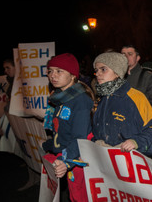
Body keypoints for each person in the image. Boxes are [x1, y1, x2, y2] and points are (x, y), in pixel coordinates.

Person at [41, 53, 94, 201]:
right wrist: (48, 144)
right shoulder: (61, 99)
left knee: (80, 197)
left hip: (76, 160)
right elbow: (62, 133)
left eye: (59, 71)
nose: (53, 75)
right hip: (67, 156)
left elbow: (79, 138)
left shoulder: (80, 101)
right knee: (74, 196)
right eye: (50, 71)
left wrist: (66, 161)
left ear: (72, 75)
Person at [91, 52, 152, 156]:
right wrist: (95, 144)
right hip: (105, 161)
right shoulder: (101, 100)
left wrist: (136, 142)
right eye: (96, 70)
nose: (98, 73)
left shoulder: (136, 97)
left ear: (117, 72)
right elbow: (97, 133)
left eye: (103, 69)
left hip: (130, 162)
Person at [121, 45, 152, 117]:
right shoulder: (117, 77)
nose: (126, 57)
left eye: (130, 54)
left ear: (138, 58)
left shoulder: (147, 77)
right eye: (123, 54)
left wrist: (143, 122)